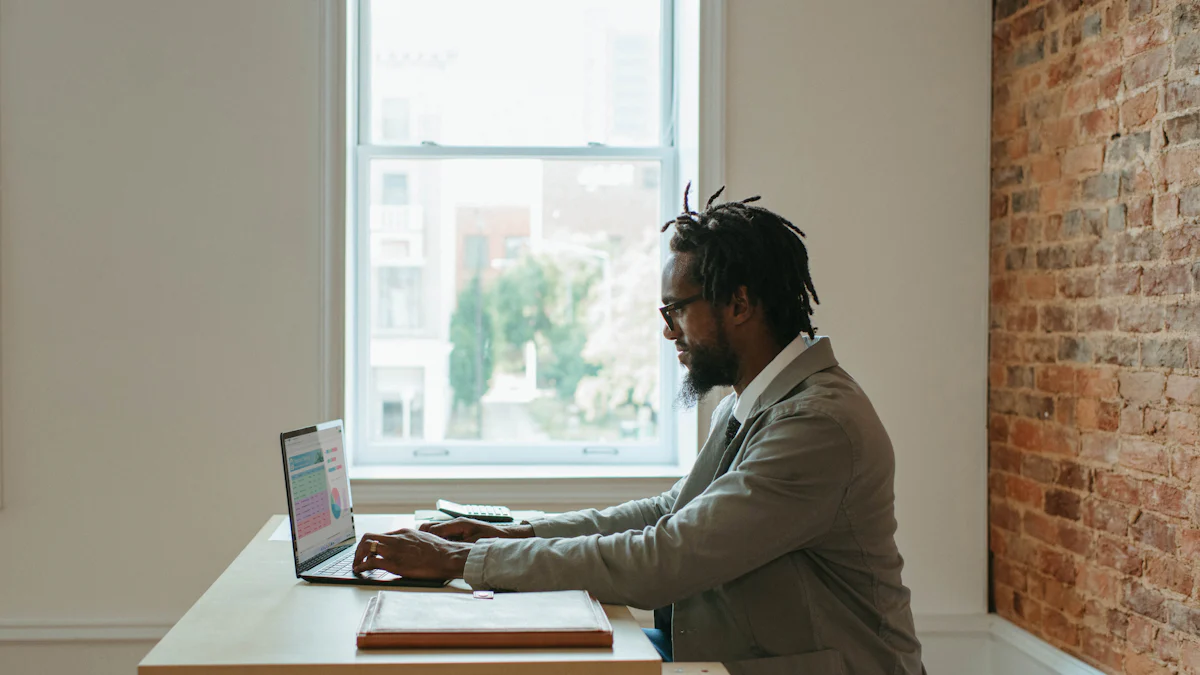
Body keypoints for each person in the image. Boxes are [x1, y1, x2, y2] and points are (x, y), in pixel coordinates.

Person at [352, 185, 925, 675]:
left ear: (741, 304)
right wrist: (504, 536)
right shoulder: (750, 405)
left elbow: (665, 557)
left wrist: (458, 563)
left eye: (676, 309)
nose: (670, 331)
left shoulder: (817, 425)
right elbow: (667, 513)